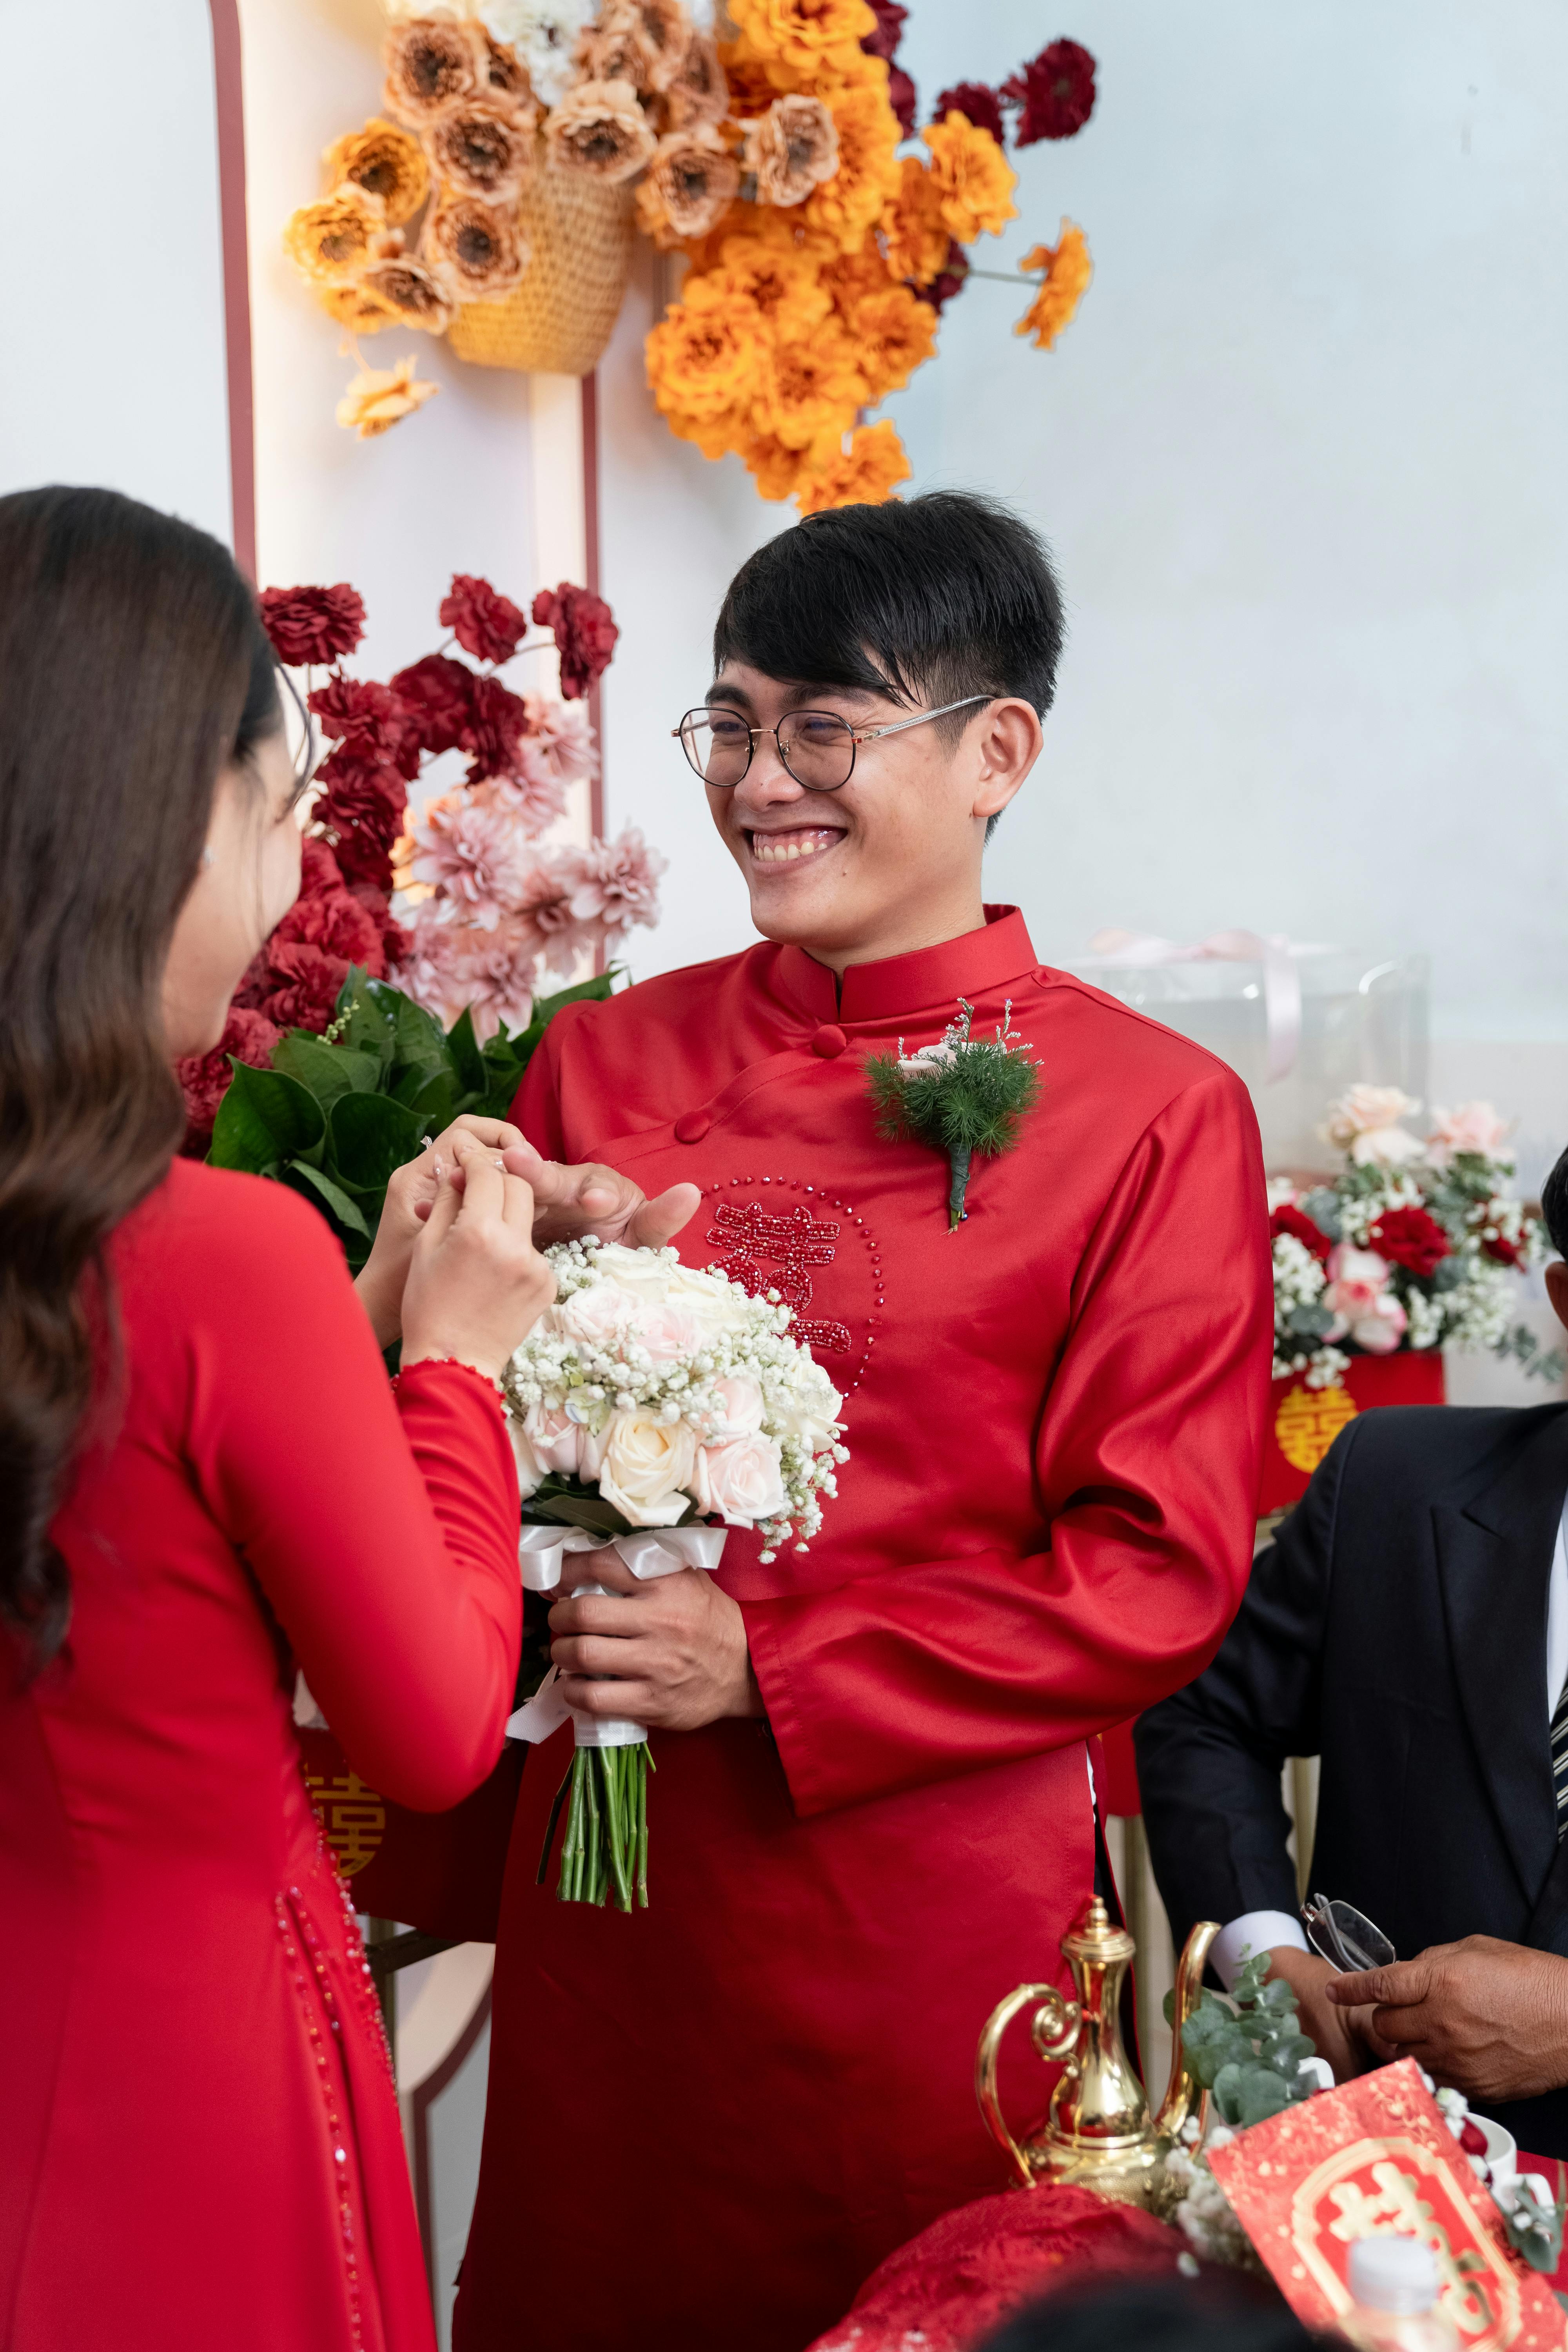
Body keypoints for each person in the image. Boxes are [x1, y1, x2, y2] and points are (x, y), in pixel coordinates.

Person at [452, 492, 1274, 2351]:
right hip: (618, 1884)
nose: (760, 782)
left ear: (999, 752)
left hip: (919, 1913)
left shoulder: (1149, 1111)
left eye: (825, 727)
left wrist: (777, 1664)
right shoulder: (607, 1058)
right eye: (733, 724)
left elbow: (1152, 1575)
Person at [0, 486, 557, 2352]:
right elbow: (431, 1727)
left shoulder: (139, 1257)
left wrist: (359, 1326)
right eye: (277, 813)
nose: (283, 883)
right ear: (157, 819)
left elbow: (125, 1509)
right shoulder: (211, 1250)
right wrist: (455, 1363)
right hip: (184, 2055)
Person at [1136, 1145, 1568, 2159]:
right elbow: (1204, 1717)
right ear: (1564, 1297)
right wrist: (1265, 1956)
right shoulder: (1392, 1480)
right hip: (1372, 2191)